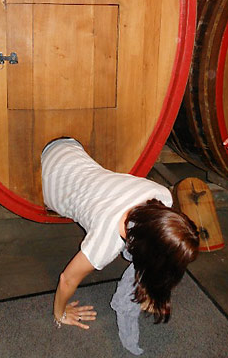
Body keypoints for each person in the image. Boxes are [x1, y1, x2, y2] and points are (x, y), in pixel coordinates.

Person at [41, 137, 199, 347]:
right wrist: (60, 314)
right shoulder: (105, 242)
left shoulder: (161, 196)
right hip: (47, 175)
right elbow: (66, 279)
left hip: (70, 146)